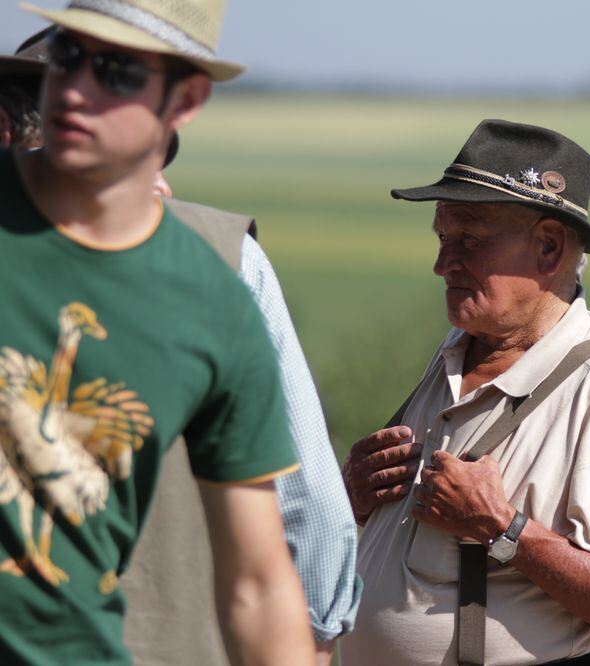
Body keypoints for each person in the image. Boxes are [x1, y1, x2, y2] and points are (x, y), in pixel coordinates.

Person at [1, 28, 362, 665]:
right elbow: (312, 520)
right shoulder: (227, 262)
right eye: (65, 63)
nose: (77, 90)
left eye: (114, 71)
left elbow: (269, 567)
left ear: (183, 101)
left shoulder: (217, 280)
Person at [340, 119, 590, 665]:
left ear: (548, 247)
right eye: (443, 237)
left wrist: (503, 529)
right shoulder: (457, 352)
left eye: (470, 239)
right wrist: (353, 501)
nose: (442, 264)